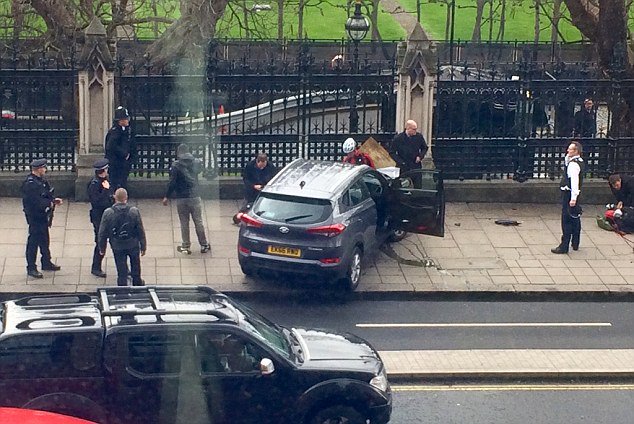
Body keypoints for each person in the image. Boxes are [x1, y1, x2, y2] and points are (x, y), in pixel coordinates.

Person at [162, 144, 211, 255]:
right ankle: (204, 245)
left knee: (184, 222)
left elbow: (172, 183)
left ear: (179, 153)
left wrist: (166, 196)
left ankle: (186, 246)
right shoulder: (196, 162)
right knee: (198, 222)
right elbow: (199, 172)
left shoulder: (176, 165)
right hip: (195, 195)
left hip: (181, 197)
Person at [22, 158, 63, 278]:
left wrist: (53, 201)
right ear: (38, 169)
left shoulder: (41, 181)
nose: (45, 170)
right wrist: (49, 204)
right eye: (44, 168)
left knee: (44, 239)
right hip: (35, 216)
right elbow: (35, 201)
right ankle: (31, 267)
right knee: (34, 241)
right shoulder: (31, 184)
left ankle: (46, 261)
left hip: (43, 216)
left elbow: (46, 195)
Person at [98, 188, 146, 286]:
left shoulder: (108, 212)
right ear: (126, 198)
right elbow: (140, 230)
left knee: (121, 270)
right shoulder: (134, 211)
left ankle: (122, 291)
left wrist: (102, 247)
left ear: (115, 197)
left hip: (117, 245)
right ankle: (138, 286)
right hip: (133, 244)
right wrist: (143, 245)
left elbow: (102, 232)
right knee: (136, 267)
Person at [552, 141, 584, 254]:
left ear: (576, 151)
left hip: (569, 194)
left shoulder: (573, 165)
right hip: (574, 193)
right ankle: (575, 242)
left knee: (566, 220)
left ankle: (564, 245)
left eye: (570, 149)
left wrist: (573, 198)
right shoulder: (578, 161)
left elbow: (574, 181)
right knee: (575, 218)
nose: (567, 151)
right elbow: (566, 160)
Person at [232, 153, 277, 224]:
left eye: (264, 165)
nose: (262, 167)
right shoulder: (250, 166)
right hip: (251, 191)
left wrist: (265, 185)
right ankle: (240, 217)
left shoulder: (270, 166)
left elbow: (273, 178)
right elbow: (246, 179)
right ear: (257, 161)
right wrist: (253, 186)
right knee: (247, 205)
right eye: (261, 166)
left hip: (264, 190)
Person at [87, 158, 114, 278]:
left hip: (108, 215)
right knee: (100, 242)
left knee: (115, 241)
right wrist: (105, 190)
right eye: (106, 169)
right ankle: (96, 267)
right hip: (99, 217)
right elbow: (96, 202)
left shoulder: (105, 181)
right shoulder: (94, 184)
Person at [105, 106, 136, 191]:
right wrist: (124, 154)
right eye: (126, 118)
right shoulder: (115, 132)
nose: (128, 120)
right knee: (116, 183)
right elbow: (111, 146)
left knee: (122, 182)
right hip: (116, 163)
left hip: (122, 163)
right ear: (120, 121)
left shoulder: (125, 130)